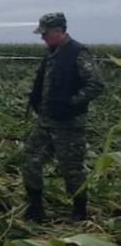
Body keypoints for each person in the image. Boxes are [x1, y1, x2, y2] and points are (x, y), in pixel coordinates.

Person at [22, 12, 104, 222]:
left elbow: (96, 84)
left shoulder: (77, 53)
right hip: (46, 121)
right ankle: (35, 208)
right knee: (30, 158)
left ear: (58, 31)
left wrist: (71, 102)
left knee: (71, 168)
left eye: (45, 33)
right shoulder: (52, 53)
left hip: (69, 124)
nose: (42, 38)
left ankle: (79, 212)